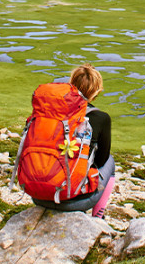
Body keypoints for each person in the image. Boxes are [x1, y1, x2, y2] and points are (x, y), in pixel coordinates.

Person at [30, 64, 115, 218]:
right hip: (73, 200)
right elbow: (102, 160)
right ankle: (98, 218)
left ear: (72, 85)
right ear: (96, 91)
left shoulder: (51, 112)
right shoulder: (100, 118)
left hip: (37, 195)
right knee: (110, 161)